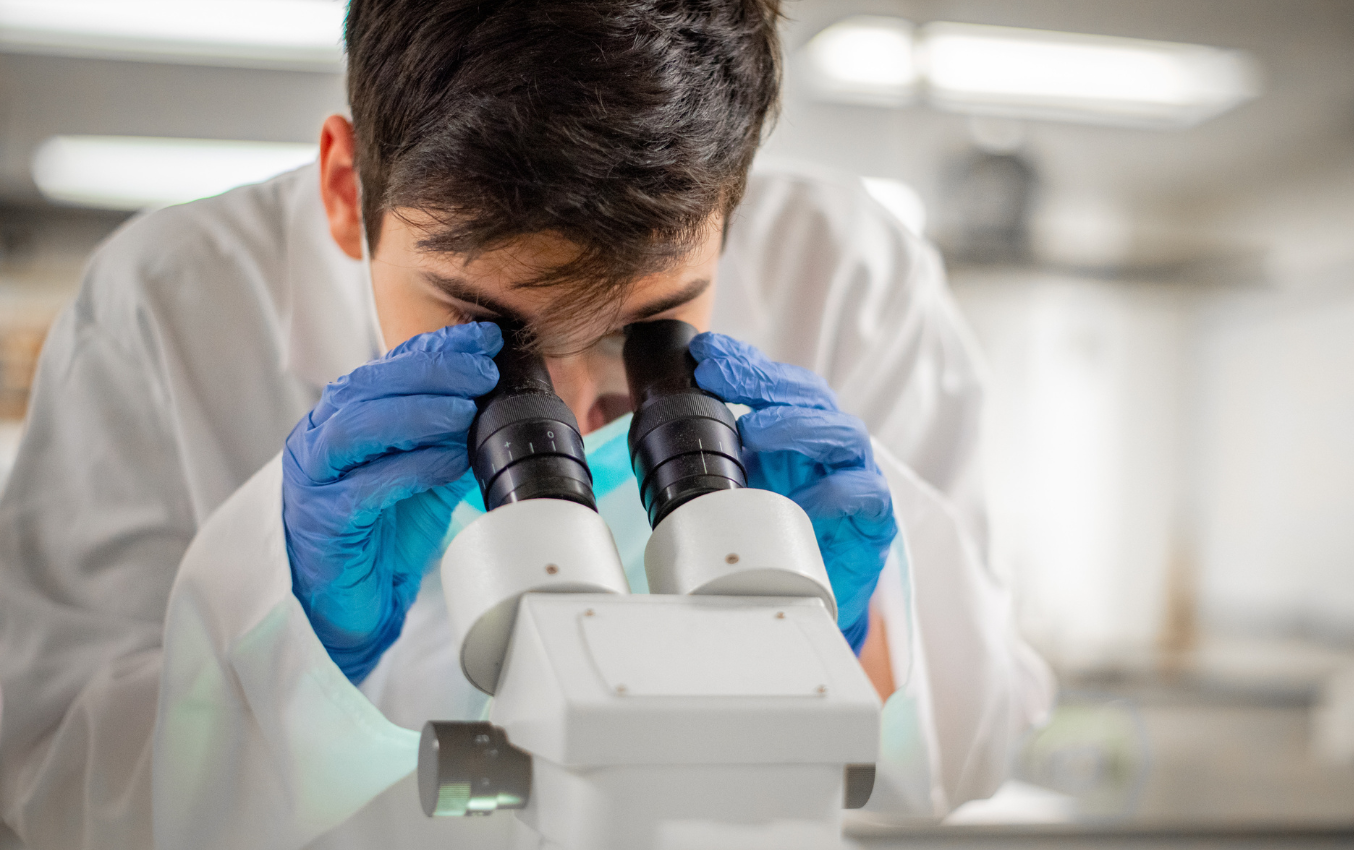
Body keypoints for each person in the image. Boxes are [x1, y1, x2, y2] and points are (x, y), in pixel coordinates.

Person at [0, 1, 1053, 847]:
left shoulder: (849, 274)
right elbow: (52, 800)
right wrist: (290, 646)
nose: (572, 402)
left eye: (648, 325)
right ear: (341, 184)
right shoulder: (169, 305)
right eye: (488, 326)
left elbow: (973, 745)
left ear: (733, 204)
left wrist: (861, 636)